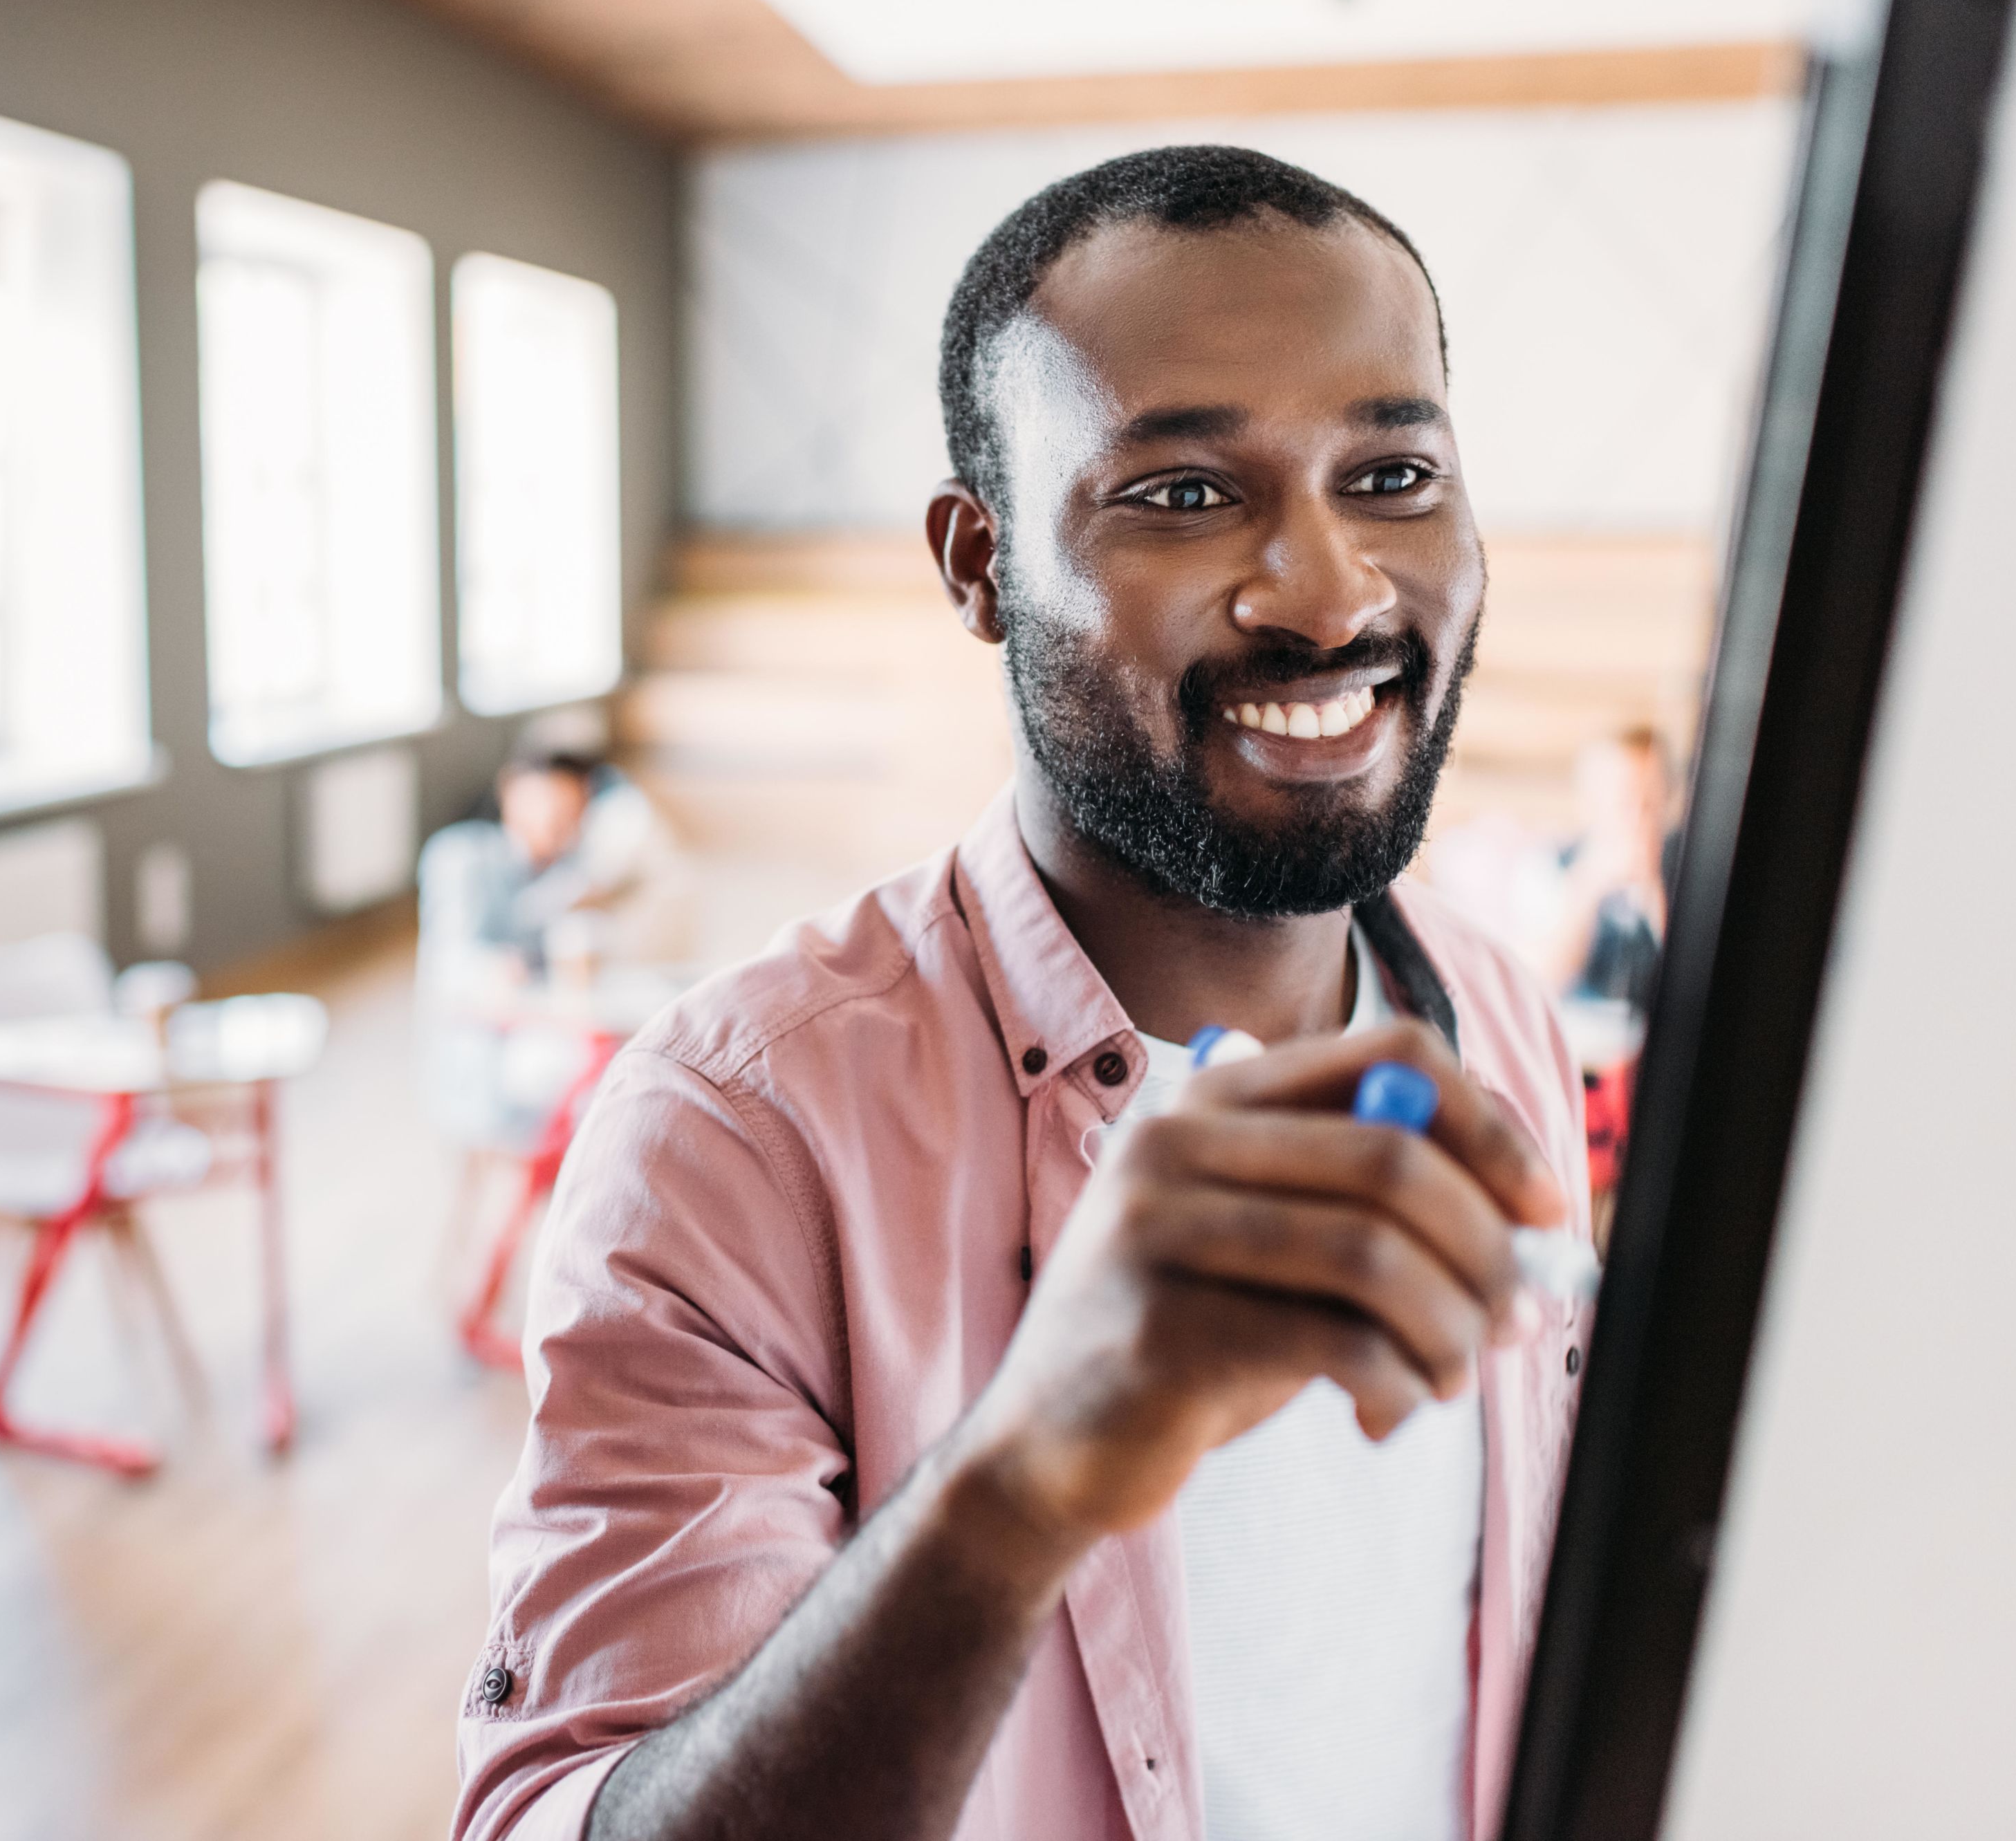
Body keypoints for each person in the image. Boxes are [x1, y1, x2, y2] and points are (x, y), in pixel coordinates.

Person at [454, 147, 1594, 1841]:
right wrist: (1028, 1473)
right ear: (977, 563)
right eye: (1185, 493)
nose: (1332, 589)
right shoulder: (735, 1132)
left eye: (1393, 470)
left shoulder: (1498, 1011)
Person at [418, 738, 685, 1149]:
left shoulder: (577, 871)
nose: (553, 822)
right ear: (509, 793)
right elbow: (454, 960)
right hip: (485, 1056)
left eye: (569, 811)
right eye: (542, 804)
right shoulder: (462, 856)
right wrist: (496, 969)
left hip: (553, 1032)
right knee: (613, 1094)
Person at [1539, 726, 1676, 1010]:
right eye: (1624, 802)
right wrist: (1588, 888)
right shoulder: (1554, 867)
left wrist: (1653, 889)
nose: (1638, 818)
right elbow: (1543, 983)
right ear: (1591, 803)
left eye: (1651, 803)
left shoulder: (1684, 870)